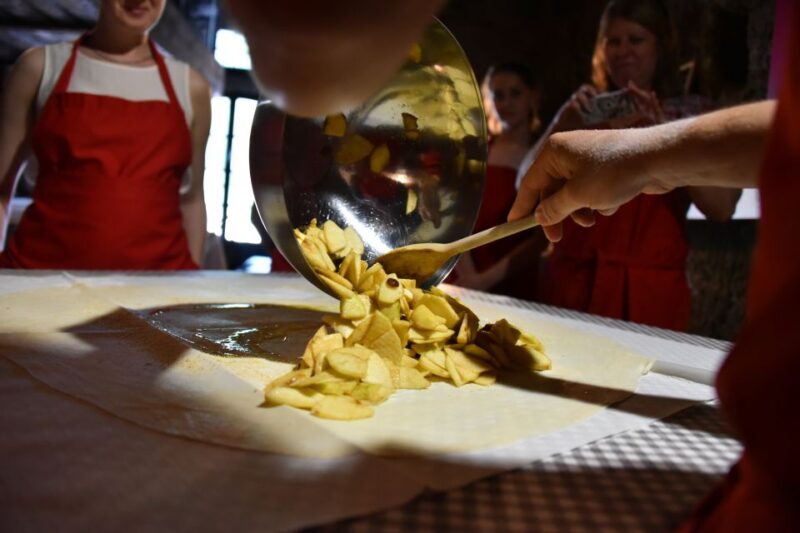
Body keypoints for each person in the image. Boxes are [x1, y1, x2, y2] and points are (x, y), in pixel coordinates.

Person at [516, 0, 741, 331]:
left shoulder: (691, 113)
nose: (623, 51)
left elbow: (721, 207)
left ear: (660, 46)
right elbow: (524, 181)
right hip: (573, 280)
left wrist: (664, 132)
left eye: (636, 40)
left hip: (648, 290)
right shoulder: (582, 111)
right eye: (613, 41)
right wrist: (562, 123)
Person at [0, 0, 211, 270]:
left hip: (158, 284)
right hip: (46, 276)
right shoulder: (40, 67)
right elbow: (2, 189)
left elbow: (191, 199)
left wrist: (190, 281)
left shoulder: (191, 86)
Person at [450, 62, 546, 297]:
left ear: (531, 97)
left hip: (511, 281)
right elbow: (454, 214)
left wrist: (486, 280)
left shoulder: (542, 155)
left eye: (515, 94)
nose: (506, 103)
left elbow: (540, 237)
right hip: (463, 275)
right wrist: (469, 276)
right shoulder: (474, 150)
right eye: (498, 95)